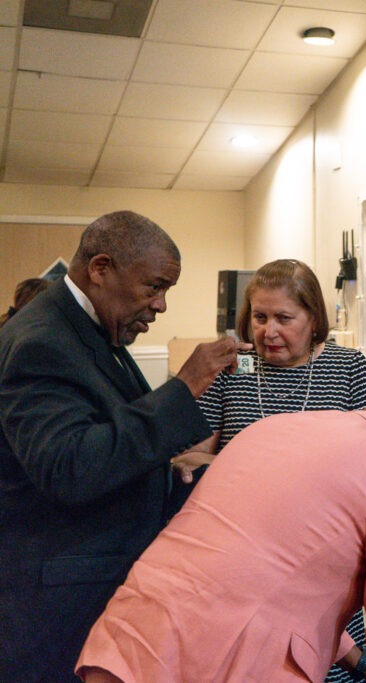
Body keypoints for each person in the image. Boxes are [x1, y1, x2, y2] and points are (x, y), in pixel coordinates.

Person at [0, 210, 245, 681]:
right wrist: (185, 386)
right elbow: (70, 468)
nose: (161, 305)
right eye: (154, 287)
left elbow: (104, 439)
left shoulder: (88, 331)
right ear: (101, 269)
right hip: (58, 613)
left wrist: (162, 469)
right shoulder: (41, 341)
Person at [76, 401, 366, 683]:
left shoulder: (272, 428)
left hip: (133, 632)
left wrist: (362, 663)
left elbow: (275, 576)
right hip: (229, 660)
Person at [174, 258, 366, 683]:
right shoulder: (233, 371)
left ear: (314, 318)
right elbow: (187, 458)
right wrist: (270, 476)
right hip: (243, 567)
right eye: (259, 317)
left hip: (327, 568)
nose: (268, 331)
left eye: (284, 318)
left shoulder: (349, 368)